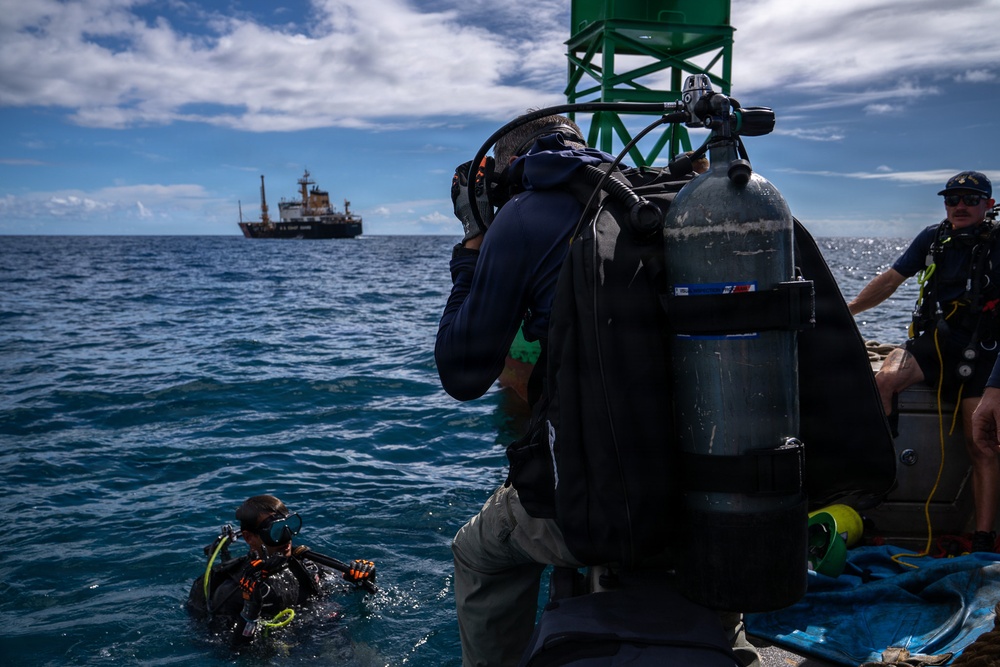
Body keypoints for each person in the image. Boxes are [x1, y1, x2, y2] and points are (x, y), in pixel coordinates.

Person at [436, 115, 760, 666]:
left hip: (599, 506)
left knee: (477, 552)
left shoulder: (524, 215)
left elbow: (461, 374)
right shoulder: (661, 198)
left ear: (507, 168)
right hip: (720, 493)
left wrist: (473, 243)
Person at [848, 171, 999, 552]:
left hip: (982, 351)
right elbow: (890, 280)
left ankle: (982, 537)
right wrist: (846, 311)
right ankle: (877, 490)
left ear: (989, 205)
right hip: (933, 344)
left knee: (980, 442)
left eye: (971, 199)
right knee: (883, 382)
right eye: (952, 199)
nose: (960, 206)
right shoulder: (932, 238)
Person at [186, 494, 376, 646]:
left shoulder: (307, 566)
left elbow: (353, 595)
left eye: (289, 527)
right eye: (275, 531)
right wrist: (250, 610)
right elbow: (233, 651)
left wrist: (364, 579)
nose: (286, 538)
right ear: (249, 537)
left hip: (331, 638)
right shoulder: (234, 590)